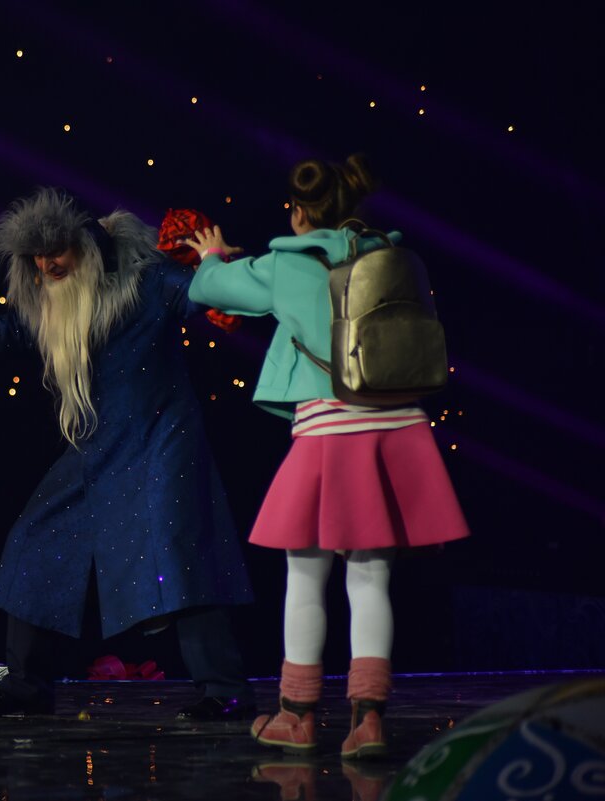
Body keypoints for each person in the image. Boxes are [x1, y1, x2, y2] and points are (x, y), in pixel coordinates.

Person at [0, 187, 254, 719]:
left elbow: (199, 295)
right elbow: (11, 330)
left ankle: (223, 690)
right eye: (37, 257)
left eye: (56, 252)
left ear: (87, 245)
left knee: (178, 553)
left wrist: (218, 266)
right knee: (34, 539)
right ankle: (26, 686)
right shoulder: (55, 299)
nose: (47, 265)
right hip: (96, 447)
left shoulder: (146, 279)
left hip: (160, 441)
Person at [182, 155, 469, 757]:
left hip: (330, 432)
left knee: (306, 577)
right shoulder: (391, 254)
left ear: (299, 212)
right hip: (396, 426)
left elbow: (206, 287)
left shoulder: (286, 264)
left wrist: (213, 255)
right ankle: (369, 722)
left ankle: (297, 715)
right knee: (371, 580)